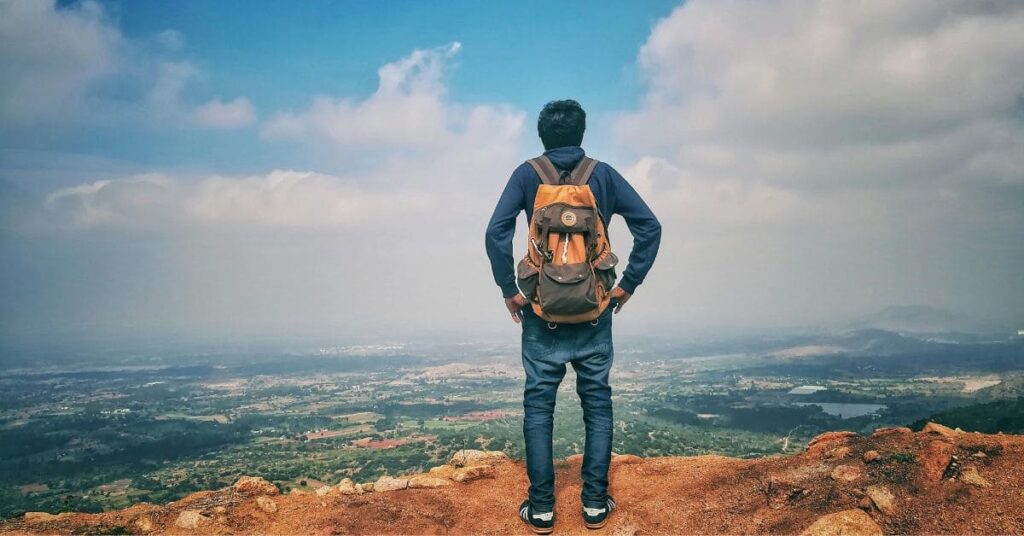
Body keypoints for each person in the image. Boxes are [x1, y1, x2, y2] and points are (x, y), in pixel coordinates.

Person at [485, 99, 662, 533]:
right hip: (595, 311)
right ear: (581, 134)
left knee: (539, 407)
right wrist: (627, 285)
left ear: (542, 135)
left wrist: (510, 291)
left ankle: (542, 509)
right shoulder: (602, 175)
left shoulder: (527, 174)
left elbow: (496, 232)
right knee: (597, 404)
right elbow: (650, 227)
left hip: (541, 313)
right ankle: (595, 506)